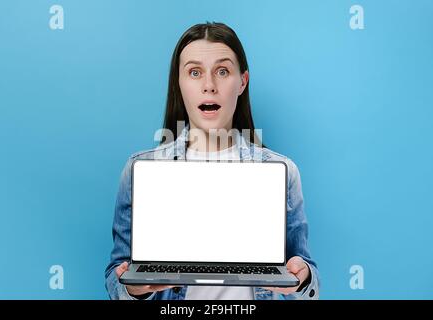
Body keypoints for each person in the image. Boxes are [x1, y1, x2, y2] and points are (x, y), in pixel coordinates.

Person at [105, 22, 319, 300]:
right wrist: (131, 288)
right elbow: (115, 278)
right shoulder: (137, 171)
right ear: (179, 84)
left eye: (222, 71)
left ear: (242, 82)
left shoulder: (282, 172)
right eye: (194, 72)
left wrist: (302, 277)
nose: (209, 86)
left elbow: (307, 280)